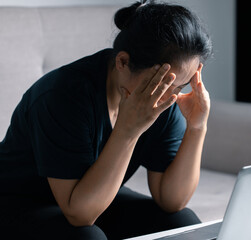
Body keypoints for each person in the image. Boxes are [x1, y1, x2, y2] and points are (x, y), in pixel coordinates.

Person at [0, 0, 212, 239]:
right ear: (122, 62)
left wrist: (197, 126)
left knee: (183, 223)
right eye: (161, 83)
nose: (169, 95)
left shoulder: (166, 99)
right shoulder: (62, 95)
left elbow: (171, 200)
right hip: (19, 202)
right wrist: (128, 130)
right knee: (88, 236)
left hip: (92, 195)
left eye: (180, 85)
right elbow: (80, 215)